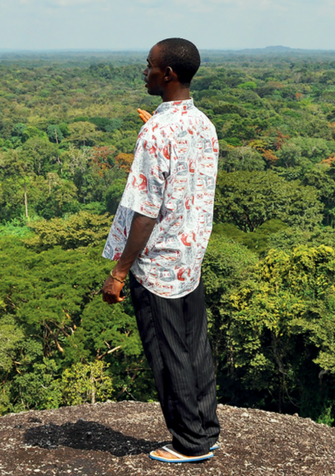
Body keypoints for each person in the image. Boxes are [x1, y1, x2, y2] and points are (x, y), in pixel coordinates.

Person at [102, 38, 220, 464]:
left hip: (157, 264)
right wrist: (154, 124)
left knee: (168, 356)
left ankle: (189, 444)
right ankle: (205, 430)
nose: (145, 71)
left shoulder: (155, 132)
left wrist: (119, 272)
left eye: (149, 65)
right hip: (189, 256)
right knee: (195, 347)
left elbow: (146, 213)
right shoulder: (202, 122)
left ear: (168, 73)